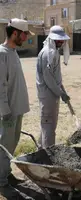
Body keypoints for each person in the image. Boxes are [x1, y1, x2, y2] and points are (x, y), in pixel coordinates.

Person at [0, 18, 32, 190]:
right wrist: (5, 111)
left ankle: (5, 174)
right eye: (24, 34)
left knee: (10, 145)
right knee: (3, 145)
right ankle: (1, 183)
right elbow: (0, 86)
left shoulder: (12, 52)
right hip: (8, 112)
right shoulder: (2, 53)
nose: (26, 37)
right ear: (15, 33)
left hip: (16, 109)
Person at [36, 25, 70, 148]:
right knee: (48, 128)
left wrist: (62, 90)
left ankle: (40, 152)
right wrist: (61, 93)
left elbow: (56, 76)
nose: (61, 42)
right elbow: (48, 79)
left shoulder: (54, 52)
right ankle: (48, 157)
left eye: (62, 40)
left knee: (47, 126)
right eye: (58, 40)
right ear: (52, 39)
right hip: (47, 95)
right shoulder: (47, 54)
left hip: (52, 94)